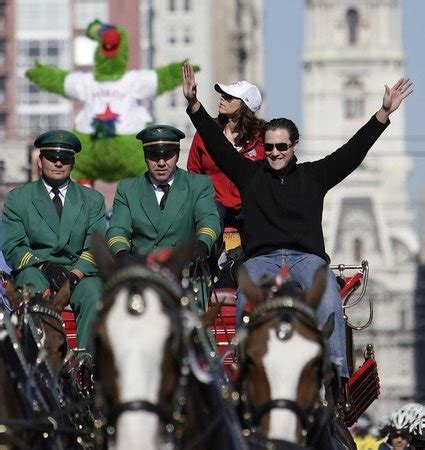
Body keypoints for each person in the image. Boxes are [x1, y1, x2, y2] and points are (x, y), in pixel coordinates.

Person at [182, 61, 412, 380]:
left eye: (281, 147)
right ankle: (245, 368)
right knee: (245, 297)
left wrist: (383, 114)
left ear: (294, 147)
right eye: (270, 147)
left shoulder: (314, 176)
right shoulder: (249, 175)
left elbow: (352, 152)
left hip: (307, 259)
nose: (275, 153)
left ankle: (335, 374)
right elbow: (216, 143)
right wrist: (194, 105)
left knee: (329, 295)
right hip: (261, 259)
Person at [0, 130, 106, 350]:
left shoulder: (92, 200)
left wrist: (73, 277)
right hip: (36, 269)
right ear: (40, 161)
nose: (58, 163)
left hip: (77, 275)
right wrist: (43, 265)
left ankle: (86, 363)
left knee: (95, 293)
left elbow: (96, 245)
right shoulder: (18, 198)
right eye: (52, 157)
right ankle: (39, 357)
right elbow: (13, 245)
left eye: (65, 158)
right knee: (32, 287)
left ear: (73, 163)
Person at [106, 124, 221, 263]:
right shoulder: (128, 189)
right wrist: (121, 252)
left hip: (185, 269)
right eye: (154, 156)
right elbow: (118, 229)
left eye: (167, 155)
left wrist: (203, 243)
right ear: (145, 157)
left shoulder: (198, 185)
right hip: (143, 271)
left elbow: (209, 220)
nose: (161, 163)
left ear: (177, 155)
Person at [187, 79, 265, 231]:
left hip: (250, 214)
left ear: (245, 105)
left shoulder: (262, 138)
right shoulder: (205, 132)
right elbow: (193, 174)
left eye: (229, 96)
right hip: (213, 211)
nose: (222, 98)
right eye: (222, 94)